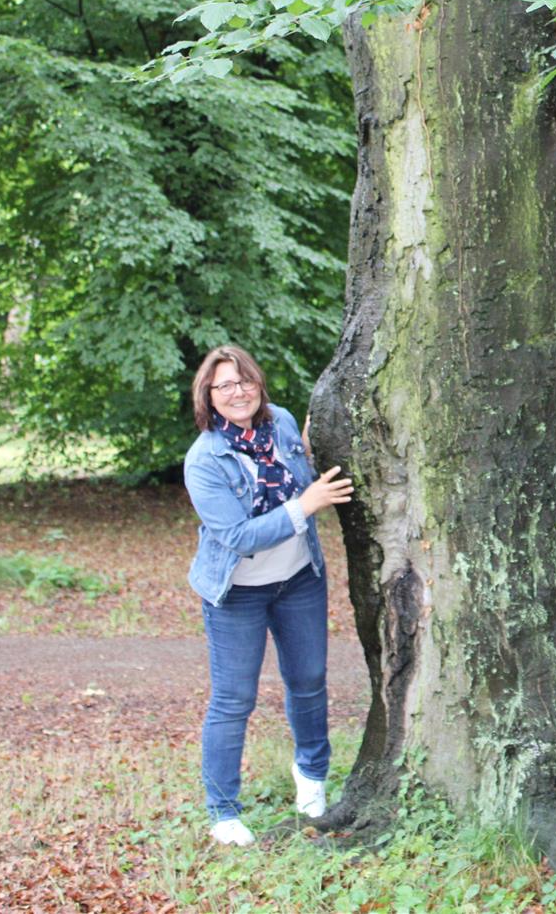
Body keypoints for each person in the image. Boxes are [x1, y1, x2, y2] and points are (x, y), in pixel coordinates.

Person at [183, 344, 354, 847]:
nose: (237, 392)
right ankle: (223, 812)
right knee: (234, 700)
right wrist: (306, 505)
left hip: (299, 578)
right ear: (209, 397)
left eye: (245, 381)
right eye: (224, 386)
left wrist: (307, 449)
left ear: (258, 383)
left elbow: (305, 469)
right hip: (236, 592)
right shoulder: (205, 459)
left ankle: (312, 780)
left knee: (309, 680)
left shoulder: (279, 423)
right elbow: (237, 536)